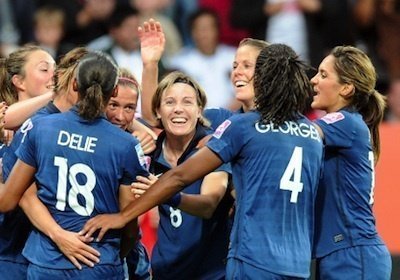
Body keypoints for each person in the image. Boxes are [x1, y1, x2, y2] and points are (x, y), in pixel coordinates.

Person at [81, 43, 324, 279]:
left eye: (250, 67)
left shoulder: (240, 127)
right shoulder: (312, 133)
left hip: (253, 259)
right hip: (298, 262)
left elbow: (180, 177)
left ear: (264, 79)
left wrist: (123, 217)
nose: (239, 72)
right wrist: (150, 65)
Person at [0, 51, 149, 279]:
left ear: (75, 83)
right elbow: (130, 223)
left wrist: (58, 235)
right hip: (99, 261)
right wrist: (117, 255)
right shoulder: (126, 144)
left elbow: (8, 200)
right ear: (113, 91)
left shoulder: (41, 129)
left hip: (47, 263)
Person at [132, 71, 232, 279]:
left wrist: (163, 192)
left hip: (211, 274)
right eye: (169, 102)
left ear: (199, 111)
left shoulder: (212, 151)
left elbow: (208, 204)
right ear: (158, 112)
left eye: (187, 102)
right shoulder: (150, 152)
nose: (178, 109)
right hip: (164, 272)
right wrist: (149, 63)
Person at [310, 45, 392, 279]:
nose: (314, 80)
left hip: (353, 254)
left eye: (323, 75)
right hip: (339, 252)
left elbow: (299, 134)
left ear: (346, 88)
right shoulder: (346, 125)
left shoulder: (345, 121)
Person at [0, 44, 55, 279]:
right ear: (19, 82)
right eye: (44, 69)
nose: (55, 75)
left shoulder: (61, 123)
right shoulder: (5, 130)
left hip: (46, 256)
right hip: (8, 253)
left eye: (56, 68)